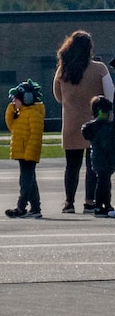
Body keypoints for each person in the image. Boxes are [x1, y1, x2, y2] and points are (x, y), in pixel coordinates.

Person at [53, 32, 114, 214]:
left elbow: (57, 97)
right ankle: (89, 201)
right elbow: (110, 95)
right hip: (94, 125)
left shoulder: (62, 70)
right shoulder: (99, 68)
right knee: (92, 165)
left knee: (71, 166)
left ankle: (69, 202)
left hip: (71, 124)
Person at [4, 81, 45, 219]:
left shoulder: (34, 114)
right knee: (30, 181)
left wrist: (30, 153)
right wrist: (11, 110)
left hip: (28, 153)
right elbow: (12, 126)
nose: (14, 101)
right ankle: (35, 208)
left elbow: (36, 135)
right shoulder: (20, 113)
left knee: (25, 181)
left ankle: (21, 207)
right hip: (22, 152)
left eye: (16, 99)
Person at [82, 97, 114, 216]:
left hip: (99, 159)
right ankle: (101, 205)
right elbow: (107, 146)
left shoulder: (96, 127)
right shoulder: (104, 129)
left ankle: (105, 204)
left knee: (104, 182)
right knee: (103, 183)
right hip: (103, 160)